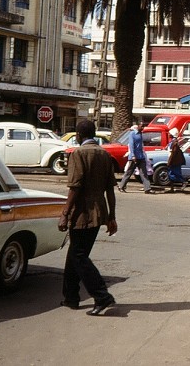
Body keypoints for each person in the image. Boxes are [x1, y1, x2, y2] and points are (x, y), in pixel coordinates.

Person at [58, 119, 117, 315]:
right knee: (75, 254)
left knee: (78, 255)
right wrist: (111, 217)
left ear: (78, 135)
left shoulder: (79, 154)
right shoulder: (104, 154)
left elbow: (75, 186)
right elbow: (110, 190)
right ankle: (71, 297)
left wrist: (65, 214)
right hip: (99, 211)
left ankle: (101, 296)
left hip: (82, 212)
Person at [119, 120, 151, 193]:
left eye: (144, 126)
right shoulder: (132, 134)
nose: (143, 128)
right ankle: (121, 186)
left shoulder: (140, 134)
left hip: (141, 156)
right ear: (138, 126)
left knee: (143, 173)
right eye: (142, 126)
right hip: (134, 157)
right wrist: (133, 155)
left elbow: (141, 146)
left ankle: (147, 188)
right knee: (129, 172)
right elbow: (131, 145)